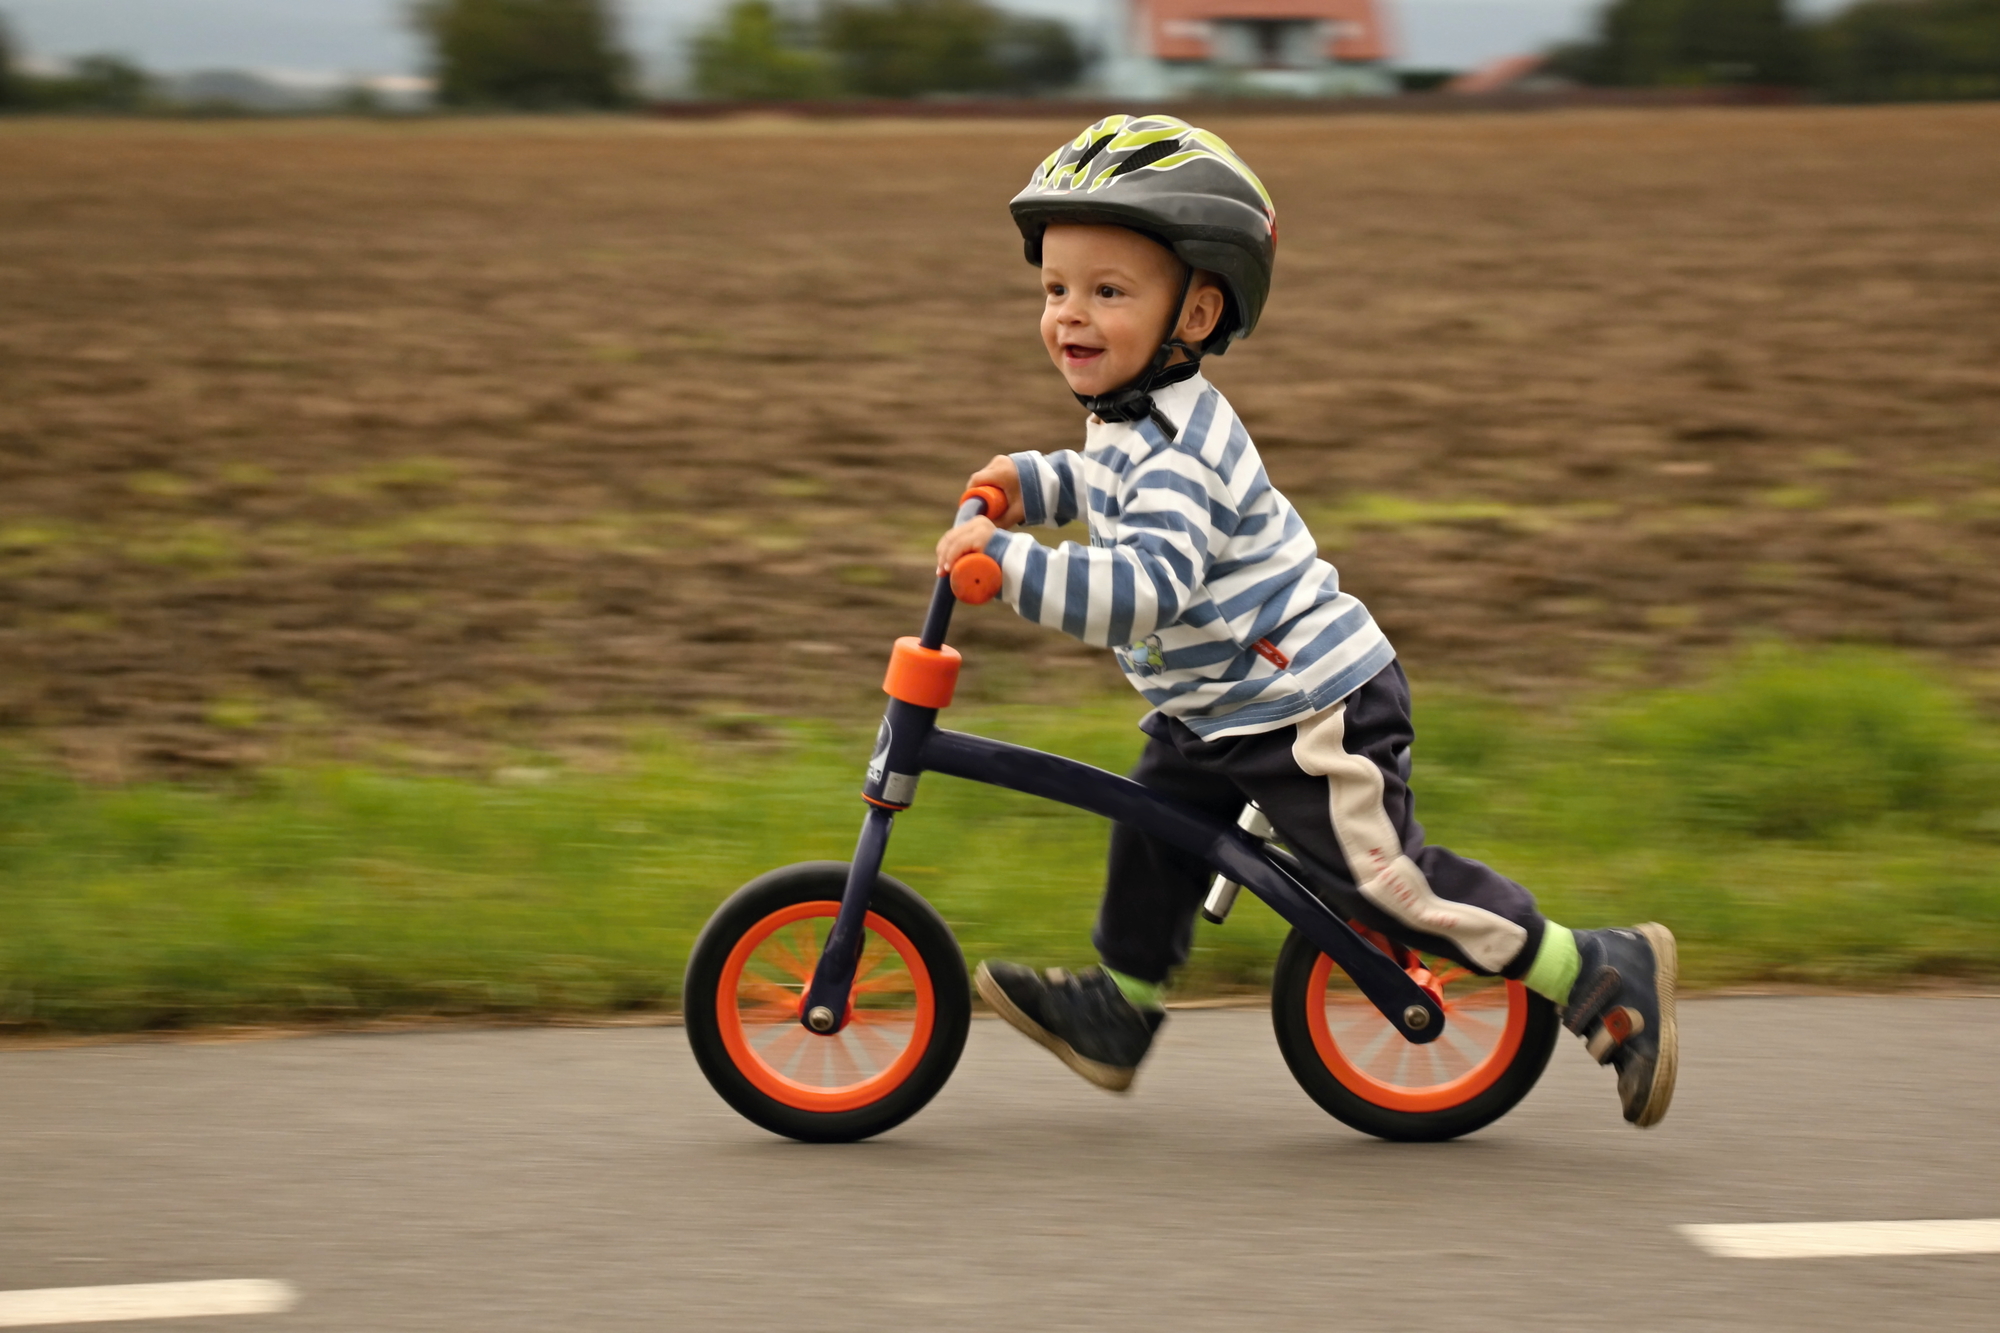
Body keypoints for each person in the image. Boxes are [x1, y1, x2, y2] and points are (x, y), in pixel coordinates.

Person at [934, 114, 1678, 1129]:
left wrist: (1007, 567)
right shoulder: (1131, 418)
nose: (1070, 314)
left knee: (1389, 889)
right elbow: (1103, 483)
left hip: (1306, 704)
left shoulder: (1183, 450)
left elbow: (1143, 584)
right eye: (1054, 289)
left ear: (1195, 311)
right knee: (1154, 830)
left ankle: (1596, 968)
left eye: (1108, 292)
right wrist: (1031, 482)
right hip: (1217, 701)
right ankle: (1123, 1008)